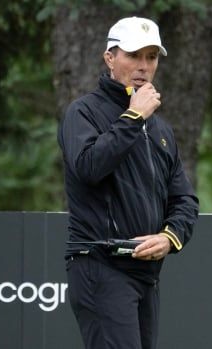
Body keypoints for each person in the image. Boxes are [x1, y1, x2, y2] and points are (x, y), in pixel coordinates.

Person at [57, 16, 199, 349]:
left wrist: (169, 237)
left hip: (145, 275)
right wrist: (133, 117)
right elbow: (89, 167)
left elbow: (185, 200)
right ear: (110, 57)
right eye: (134, 55)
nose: (143, 66)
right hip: (99, 264)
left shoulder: (161, 129)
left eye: (151, 57)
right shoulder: (83, 113)